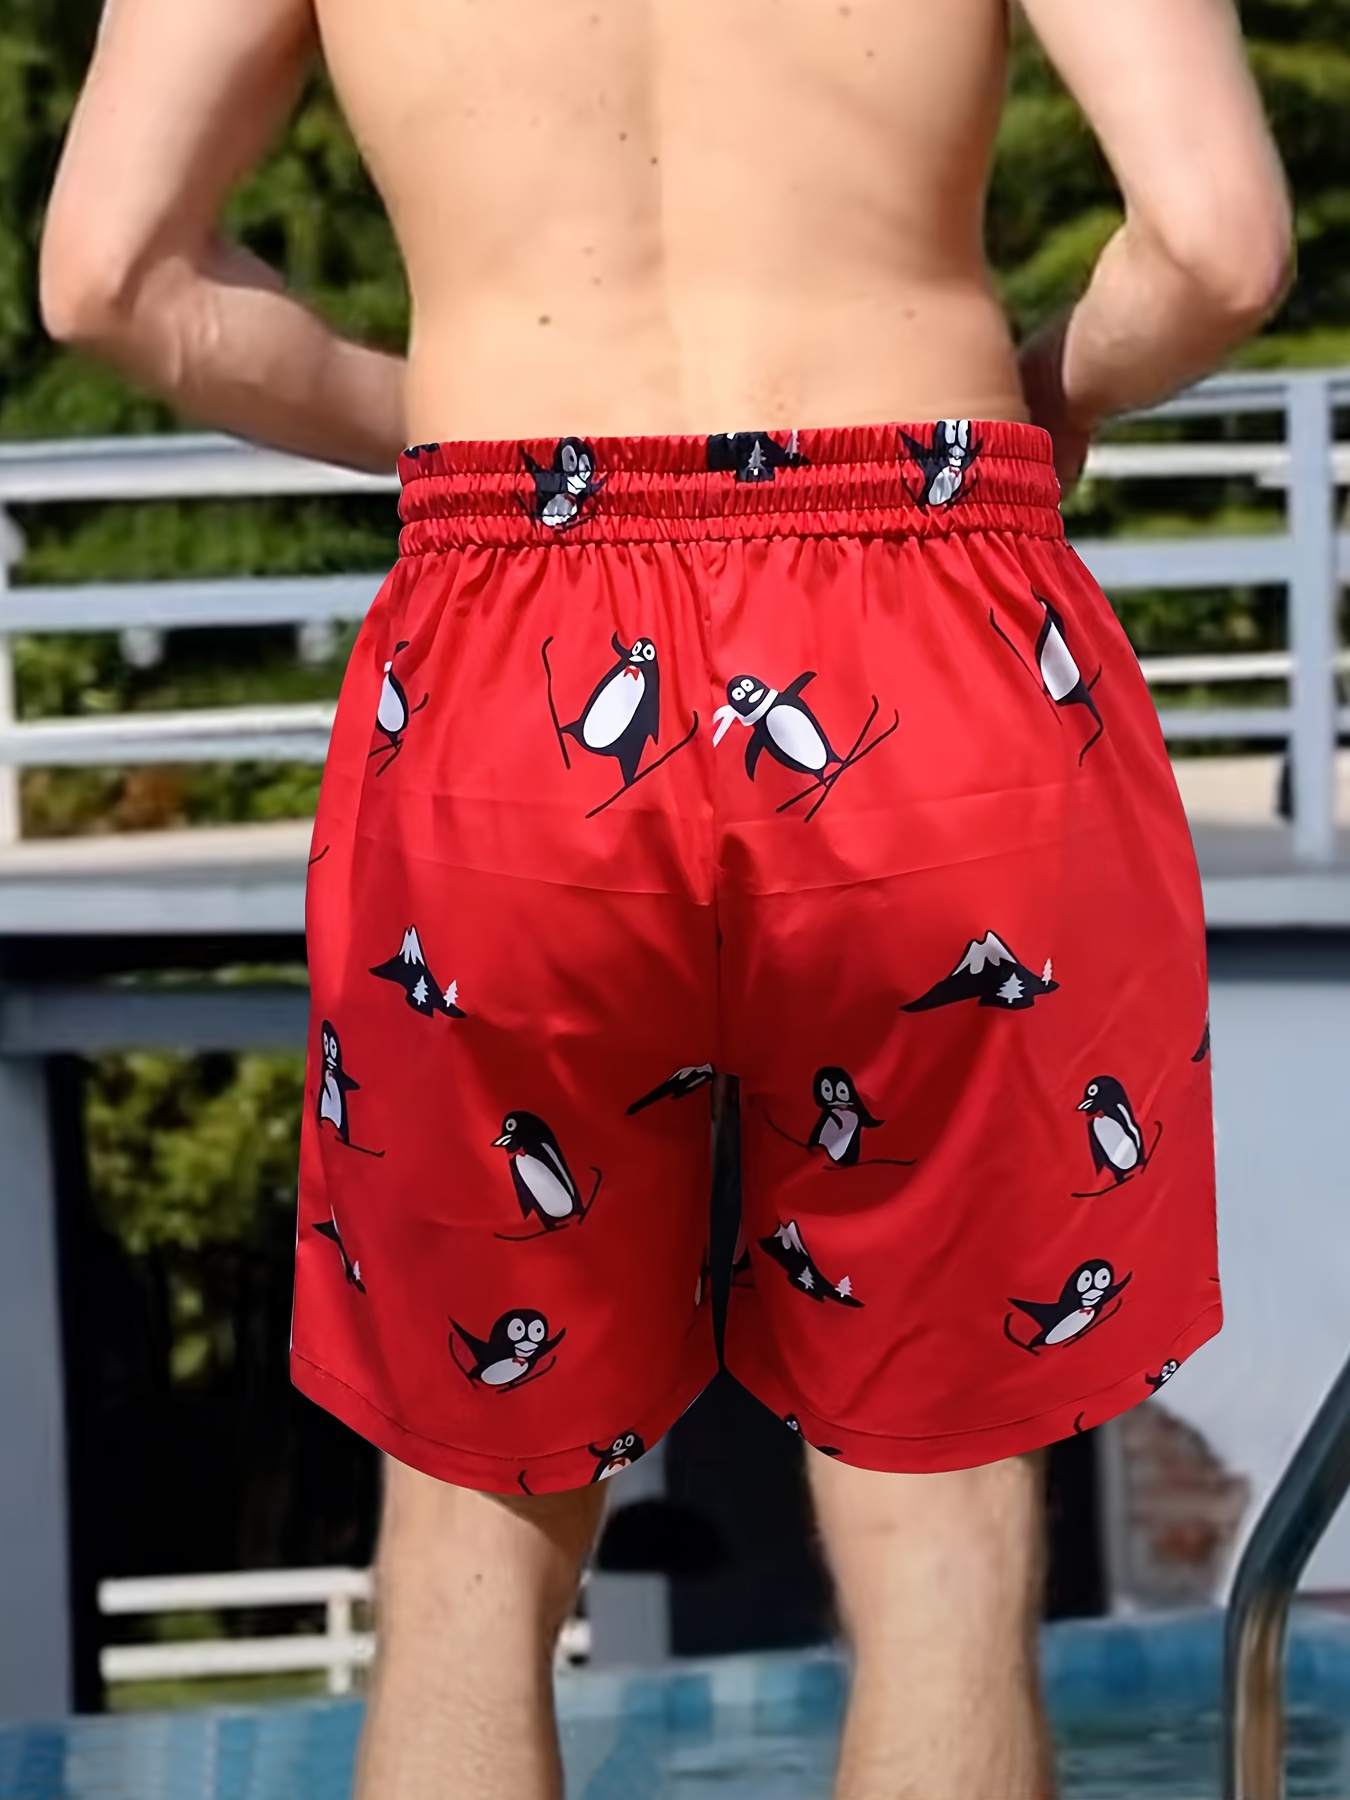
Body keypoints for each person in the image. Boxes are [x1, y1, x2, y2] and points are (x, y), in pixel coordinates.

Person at [40, 1, 1291, 1794]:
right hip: (925, 614)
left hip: (508, 653)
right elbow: (1218, 246)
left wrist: (450, 427)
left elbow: (108, 279)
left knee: (470, 1542)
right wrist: (1048, 383)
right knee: (939, 1541)